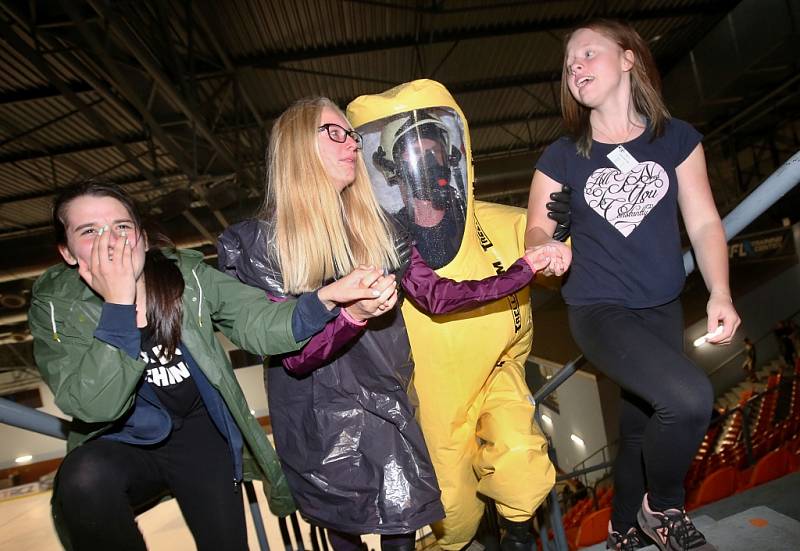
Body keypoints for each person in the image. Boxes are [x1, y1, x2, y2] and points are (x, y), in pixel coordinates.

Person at [218, 97, 557, 551]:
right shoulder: (257, 244)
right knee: (345, 533)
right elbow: (296, 357)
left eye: (351, 135)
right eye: (333, 133)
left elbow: (439, 296)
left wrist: (522, 271)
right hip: (318, 418)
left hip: (386, 401)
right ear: (297, 147)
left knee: (404, 524)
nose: (351, 145)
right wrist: (352, 316)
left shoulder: (378, 228)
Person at [28, 181, 383, 551]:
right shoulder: (55, 307)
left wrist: (326, 298)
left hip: (200, 435)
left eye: (121, 227)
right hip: (124, 439)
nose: (111, 242)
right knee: (83, 478)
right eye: (89, 231)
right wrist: (118, 303)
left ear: (143, 239)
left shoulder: (189, 278)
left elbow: (258, 321)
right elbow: (94, 405)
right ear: (67, 253)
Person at [525, 19, 741, 551]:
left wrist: (720, 291)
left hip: (663, 303)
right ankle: (662, 508)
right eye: (568, 62)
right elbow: (536, 227)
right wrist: (544, 247)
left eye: (588, 53)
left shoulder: (676, 141)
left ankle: (622, 529)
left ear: (627, 60)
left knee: (643, 424)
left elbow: (706, 223)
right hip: (599, 309)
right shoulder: (562, 156)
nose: (575, 66)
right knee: (689, 399)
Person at [348, 79, 557, 551]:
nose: (429, 166)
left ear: (454, 156)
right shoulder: (376, 249)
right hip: (433, 401)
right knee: (454, 519)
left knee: (523, 464)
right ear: (391, 170)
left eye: (435, 151)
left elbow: (558, 259)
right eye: (414, 154)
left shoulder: (502, 225)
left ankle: (519, 539)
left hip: (497, 370)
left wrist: (559, 226)